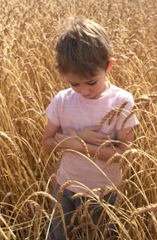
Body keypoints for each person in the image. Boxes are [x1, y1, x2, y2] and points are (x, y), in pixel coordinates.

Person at [42, 18, 139, 240]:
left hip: (105, 191)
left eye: (91, 82)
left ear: (108, 66)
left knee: (104, 235)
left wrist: (80, 145)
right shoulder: (62, 100)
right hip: (66, 187)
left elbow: (126, 154)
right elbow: (47, 143)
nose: (84, 91)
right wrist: (74, 142)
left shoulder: (122, 101)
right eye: (74, 84)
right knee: (58, 235)